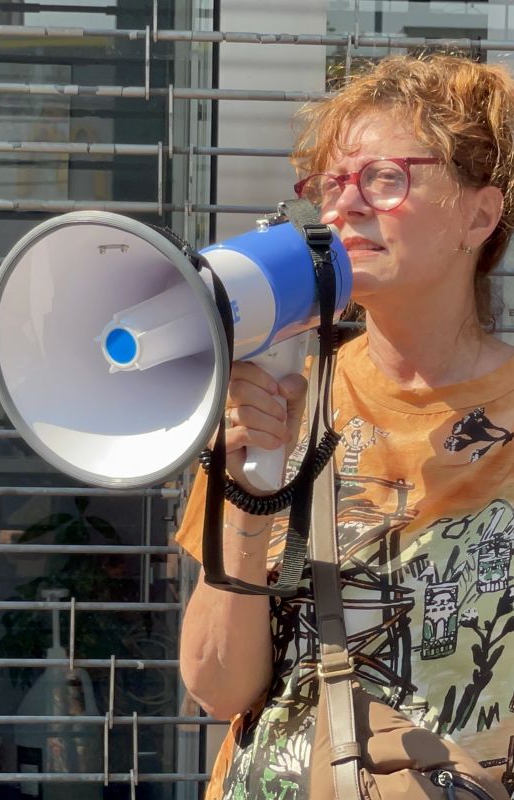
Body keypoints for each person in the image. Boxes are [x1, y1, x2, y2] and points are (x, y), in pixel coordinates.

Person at [177, 52, 514, 799]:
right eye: (330, 184)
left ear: (478, 215)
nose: (344, 206)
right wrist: (246, 492)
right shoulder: (276, 399)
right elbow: (218, 689)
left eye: (385, 178)